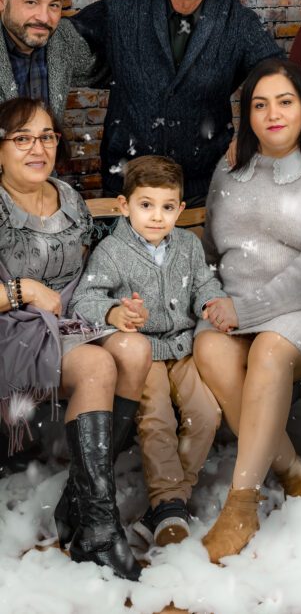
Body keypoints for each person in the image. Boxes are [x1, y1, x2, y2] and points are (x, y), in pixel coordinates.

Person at [192, 57, 301, 563]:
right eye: (259, 104)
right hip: (235, 306)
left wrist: (248, 307)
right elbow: (214, 248)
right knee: (210, 352)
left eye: (284, 102)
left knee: (267, 352)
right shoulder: (230, 165)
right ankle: (292, 469)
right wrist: (209, 295)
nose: (272, 114)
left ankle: (241, 503)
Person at [0, 97, 151, 580]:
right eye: (22, 138)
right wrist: (24, 289)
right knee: (98, 366)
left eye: (46, 136)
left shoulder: (67, 196)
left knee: (134, 347)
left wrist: (113, 308)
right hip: (14, 326)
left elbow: (88, 277)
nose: (37, 148)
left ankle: (78, 508)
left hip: (72, 320)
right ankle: (101, 531)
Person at [73, 0, 285, 205]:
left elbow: (284, 78)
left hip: (204, 193)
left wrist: (255, 135)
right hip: (127, 192)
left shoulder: (237, 23)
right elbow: (57, 43)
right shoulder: (122, 10)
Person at [70, 155, 230, 548]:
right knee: (156, 419)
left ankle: (169, 502)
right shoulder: (111, 251)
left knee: (205, 414)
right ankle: (170, 502)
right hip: (146, 354)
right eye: (146, 205)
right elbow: (83, 300)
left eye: (167, 207)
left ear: (179, 208)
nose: (157, 216)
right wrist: (114, 311)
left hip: (184, 348)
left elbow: (204, 287)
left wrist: (214, 303)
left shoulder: (189, 246)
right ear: (124, 206)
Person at [0, 0, 98, 115]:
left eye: (54, 5)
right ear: (2, 0)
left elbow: (114, 69)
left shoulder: (64, 39)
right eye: (31, 2)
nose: (44, 18)